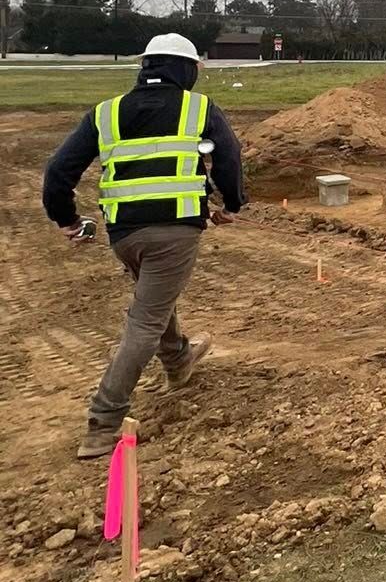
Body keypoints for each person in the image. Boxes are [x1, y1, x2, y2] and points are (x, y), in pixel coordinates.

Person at [42, 33, 245, 459]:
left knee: (155, 299)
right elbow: (228, 155)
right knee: (145, 320)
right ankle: (103, 420)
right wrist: (232, 203)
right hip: (174, 234)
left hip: (125, 236)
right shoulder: (198, 108)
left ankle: (178, 360)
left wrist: (67, 220)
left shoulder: (107, 112)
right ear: (187, 69)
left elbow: (58, 171)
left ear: (146, 66)